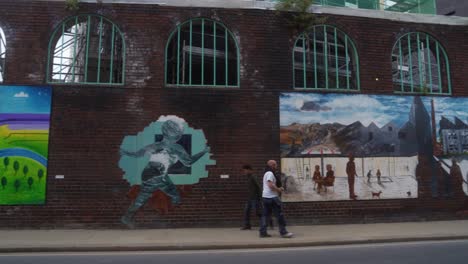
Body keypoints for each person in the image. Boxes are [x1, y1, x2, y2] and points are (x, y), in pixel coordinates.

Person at [120, 119, 210, 228]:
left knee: (174, 194)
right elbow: (189, 162)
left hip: (151, 174)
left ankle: (172, 206)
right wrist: (203, 152)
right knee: (143, 198)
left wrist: (125, 152)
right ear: (178, 135)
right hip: (154, 176)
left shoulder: (155, 145)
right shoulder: (176, 148)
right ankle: (126, 218)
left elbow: (137, 154)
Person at [259, 160, 293, 238]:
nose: (276, 166)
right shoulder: (270, 173)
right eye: (275, 165)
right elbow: (270, 185)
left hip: (265, 197)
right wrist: (278, 189)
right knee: (279, 215)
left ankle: (263, 232)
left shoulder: (266, 173)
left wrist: (277, 188)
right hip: (272, 197)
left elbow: (270, 185)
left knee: (265, 215)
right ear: (272, 165)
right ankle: (283, 232)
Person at [241, 164, 262, 230]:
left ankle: (264, 223)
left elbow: (259, 186)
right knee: (246, 212)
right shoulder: (248, 177)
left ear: (249, 170)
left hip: (255, 198)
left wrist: (261, 197)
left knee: (257, 212)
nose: (244, 172)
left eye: (245, 170)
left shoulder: (253, 177)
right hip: (250, 198)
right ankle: (247, 225)